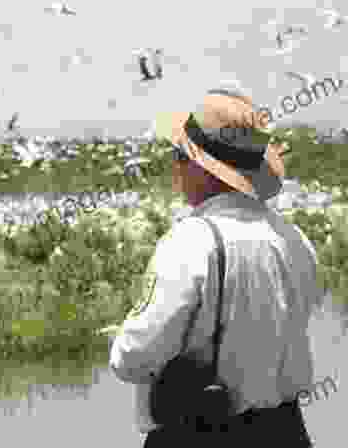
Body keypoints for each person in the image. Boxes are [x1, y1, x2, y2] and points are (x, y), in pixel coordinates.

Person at [108, 89, 323, 447]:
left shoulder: (190, 242)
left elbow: (133, 358)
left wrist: (122, 333)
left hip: (204, 433)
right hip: (289, 434)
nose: (175, 167)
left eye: (180, 156)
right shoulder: (295, 239)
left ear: (202, 167)